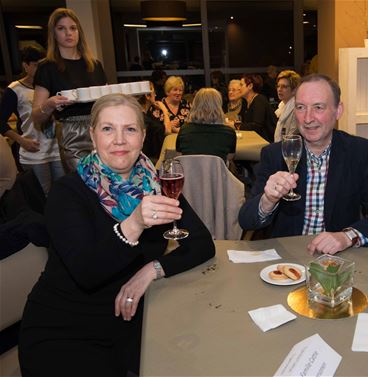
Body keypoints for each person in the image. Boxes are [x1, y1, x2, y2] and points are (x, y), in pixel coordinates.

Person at [18, 94, 215, 376]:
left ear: (143, 136)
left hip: (131, 323)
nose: (119, 140)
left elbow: (201, 244)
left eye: (130, 129)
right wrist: (134, 224)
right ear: (92, 135)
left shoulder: (155, 185)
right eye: (108, 129)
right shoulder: (68, 193)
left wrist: (151, 270)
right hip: (66, 330)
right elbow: (87, 271)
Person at [238, 74, 368, 255]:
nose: (308, 118)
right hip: (288, 259)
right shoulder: (275, 154)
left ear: (338, 111)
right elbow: (246, 220)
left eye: (318, 107)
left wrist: (347, 237)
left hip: (340, 258)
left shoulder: (360, 152)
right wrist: (267, 200)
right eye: (301, 107)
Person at [31, 8, 107, 173]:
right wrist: (49, 104)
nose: (68, 33)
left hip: (101, 130)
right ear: (54, 34)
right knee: (84, 183)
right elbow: (36, 116)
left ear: (79, 31)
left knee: (108, 182)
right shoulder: (47, 68)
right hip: (71, 134)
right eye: (61, 28)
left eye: (73, 28)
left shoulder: (95, 65)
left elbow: (106, 102)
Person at [0, 46, 64, 195]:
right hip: (34, 152)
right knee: (42, 196)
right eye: (36, 65)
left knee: (63, 192)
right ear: (26, 65)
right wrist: (21, 141)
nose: (41, 69)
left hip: (56, 149)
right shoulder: (15, 90)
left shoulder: (51, 85)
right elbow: (1, 122)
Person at [176, 88, 236, 162]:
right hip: (217, 173)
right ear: (219, 106)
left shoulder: (184, 130)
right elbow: (229, 158)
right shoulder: (229, 133)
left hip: (191, 173)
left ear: (195, 105)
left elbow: (179, 156)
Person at [239, 73, 277, 142]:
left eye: (241, 85)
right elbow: (243, 121)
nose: (239, 88)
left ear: (250, 86)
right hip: (254, 140)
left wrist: (236, 125)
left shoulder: (259, 100)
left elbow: (256, 126)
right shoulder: (245, 102)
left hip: (266, 142)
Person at [139, 81, 170, 163]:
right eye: (154, 93)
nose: (155, 95)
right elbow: (167, 130)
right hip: (149, 161)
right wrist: (164, 110)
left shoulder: (139, 115)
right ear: (147, 96)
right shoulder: (145, 119)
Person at [273, 70, 301, 142]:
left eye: (284, 86)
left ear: (294, 90)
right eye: (278, 86)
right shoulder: (282, 106)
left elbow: (292, 138)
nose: (279, 89)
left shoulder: (298, 109)